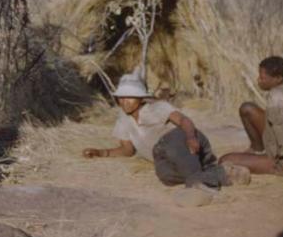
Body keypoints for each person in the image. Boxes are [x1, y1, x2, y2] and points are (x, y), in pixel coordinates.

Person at [83, 71, 250, 190]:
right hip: (164, 158)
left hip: (184, 143)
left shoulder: (157, 107)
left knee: (170, 145)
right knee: (165, 177)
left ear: (141, 98)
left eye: (130, 97)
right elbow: (127, 150)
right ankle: (221, 173)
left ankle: (198, 188)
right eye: (121, 97)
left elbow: (184, 121)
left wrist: (191, 137)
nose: (125, 102)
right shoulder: (123, 120)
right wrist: (101, 152)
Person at [219, 56, 283, 191]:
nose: (258, 80)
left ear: (278, 78)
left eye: (262, 77)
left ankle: (282, 168)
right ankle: (257, 149)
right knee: (247, 108)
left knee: (225, 160)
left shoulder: (277, 99)